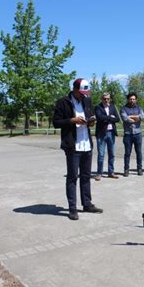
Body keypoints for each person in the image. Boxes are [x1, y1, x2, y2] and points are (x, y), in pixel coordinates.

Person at [53, 78, 103, 221]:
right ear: (74, 90)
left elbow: (90, 117)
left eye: (85, 93)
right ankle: (72, 208)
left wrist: (92, 121)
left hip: (86, 144)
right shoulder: (63, 102)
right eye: (81, 93)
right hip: (72, 146)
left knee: (86, 176)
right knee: (72, 177)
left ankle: (87, 204)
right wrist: (72, 120)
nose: (84, 95)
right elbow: (56, 122)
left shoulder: (87, 101)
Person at [94, 93, 120, 181]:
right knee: (101, 155)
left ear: (110, 99)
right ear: (102, 99)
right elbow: (100, 118)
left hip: (111, 133)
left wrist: (107, 118)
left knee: (112, 154)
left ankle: (111, 172)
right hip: (101, 134)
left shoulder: (113, 107)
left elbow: (117, 119)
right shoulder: (98, 107)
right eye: (104, 99)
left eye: (108, 99)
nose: (106, 100)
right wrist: (110, 117)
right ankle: (99, 173)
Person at [120, 92, 144, 176]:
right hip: (128, 134)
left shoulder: (139, 108)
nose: (132, 100)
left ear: (136, 100)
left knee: (139, 152)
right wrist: (136, 117)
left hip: (138, 133)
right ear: (128, 99)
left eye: (134, 99)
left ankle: (139, 169)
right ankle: (126, 169)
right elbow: (125, 119)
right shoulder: (123, 108)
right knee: (127, 153)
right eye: (130, 99)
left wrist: (131, 116)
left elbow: (142, 116)